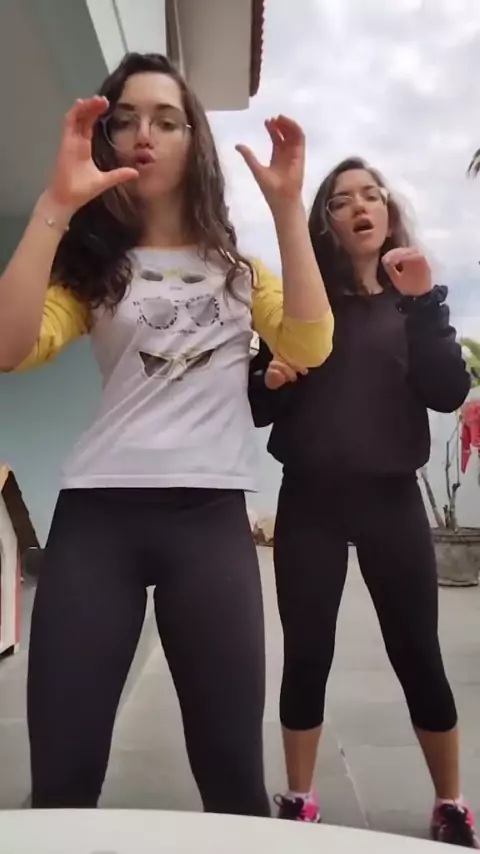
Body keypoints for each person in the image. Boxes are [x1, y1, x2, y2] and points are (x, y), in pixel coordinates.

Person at [0, 52, 334, 814]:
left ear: (194, 141)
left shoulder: (240, 273)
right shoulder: (96, 271)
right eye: (125, 120)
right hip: (97, 520)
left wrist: (289, 210)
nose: (143, 133)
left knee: (234, 784)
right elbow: (8, 347)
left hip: (208, 522)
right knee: (61, 784)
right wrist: (55, 204)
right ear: (107, 139)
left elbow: (310, 344)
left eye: (167, 119)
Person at [248, 157, 478, 847]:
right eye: (342, 199)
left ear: (386, 212)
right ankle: (299, 797)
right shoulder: (301, 304)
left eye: (371, 195)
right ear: (326, 221)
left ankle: (451, 803)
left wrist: (426, 302)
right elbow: (257, 403)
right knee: (307, 653)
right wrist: (273, 379)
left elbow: (447, 392)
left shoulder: (413, 303)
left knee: (418, 653)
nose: (360, 206)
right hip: (310, 501)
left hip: (391, 502)